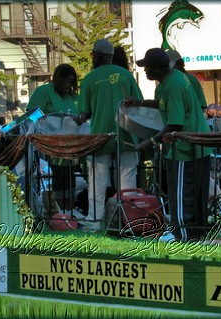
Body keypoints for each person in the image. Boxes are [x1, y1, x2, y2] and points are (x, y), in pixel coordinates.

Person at [128, 47, 212, 242]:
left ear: (157, 68)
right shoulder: (172, 79)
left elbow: (175, 123)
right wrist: (139, 103)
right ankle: (195, 233)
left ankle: (180, 234)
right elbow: (163, 104)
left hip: (185, 148)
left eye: (147, 68)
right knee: (194, 193)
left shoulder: (173, 85)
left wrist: (149, 142)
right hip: (197, 145)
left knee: (182, 193)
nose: (145, 71)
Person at [78, 38, 143, 232]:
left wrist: (77, 120)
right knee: (127, 181)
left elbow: (85, 113)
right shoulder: (126, 75)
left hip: (100, 137)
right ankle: (128, 221)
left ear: (96, 55)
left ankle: (94, 222)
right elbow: (139, 103)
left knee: (97, 181)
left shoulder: (90, 78)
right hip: (126, 134)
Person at [26, 63, 80, 210]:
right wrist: (49, 124)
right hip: (50, 143)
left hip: (70, 144)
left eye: (71, 83)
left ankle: (70, 208)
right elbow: (32, 112)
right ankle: (60, 208)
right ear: (58, 79)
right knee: (59, 173)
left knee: (70, 175)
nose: (68, 86)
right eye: (66, 82)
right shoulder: (44, 91)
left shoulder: (72, 96)